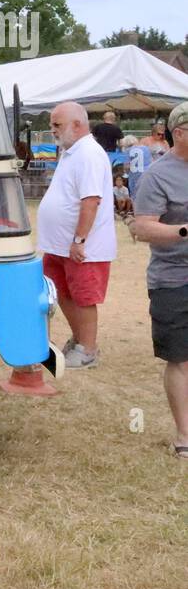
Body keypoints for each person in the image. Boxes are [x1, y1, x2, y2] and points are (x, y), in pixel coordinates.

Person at [37, 101, 116, 369]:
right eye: (52, 125)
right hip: (59, 245)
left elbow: (90, 201)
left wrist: (79, 240)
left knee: (83, 296)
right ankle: (80, 339)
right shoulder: (71, 152)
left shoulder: (89, 154)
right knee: (61, 292)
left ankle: (88, 350)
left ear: (77, 125)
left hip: (83, 247)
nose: (53, 131)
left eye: (57, 125)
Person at [131, 101, 188, 459]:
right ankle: (185, 436)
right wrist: (184, 231)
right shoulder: (158, 174)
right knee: (182, 359)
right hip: (173, 280)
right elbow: (142, 227)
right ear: (179, 133)